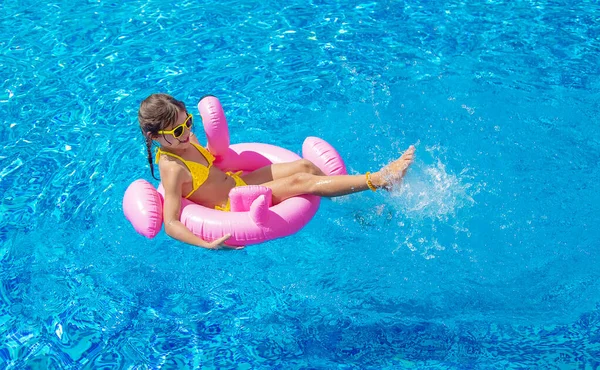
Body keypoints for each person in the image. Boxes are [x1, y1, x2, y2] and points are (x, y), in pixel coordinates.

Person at [138, 94, 415, 250]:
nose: (186, 132)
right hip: (233, 204)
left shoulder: (187, 139)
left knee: (305, 166)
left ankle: (347, 205)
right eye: (177, 131)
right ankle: (380, 178)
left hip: (237, 181)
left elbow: (215, 158)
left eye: (188, 122)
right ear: (155, 137)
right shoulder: (172, 169)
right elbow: (171, 223)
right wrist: (206, 244)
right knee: (301, 181)